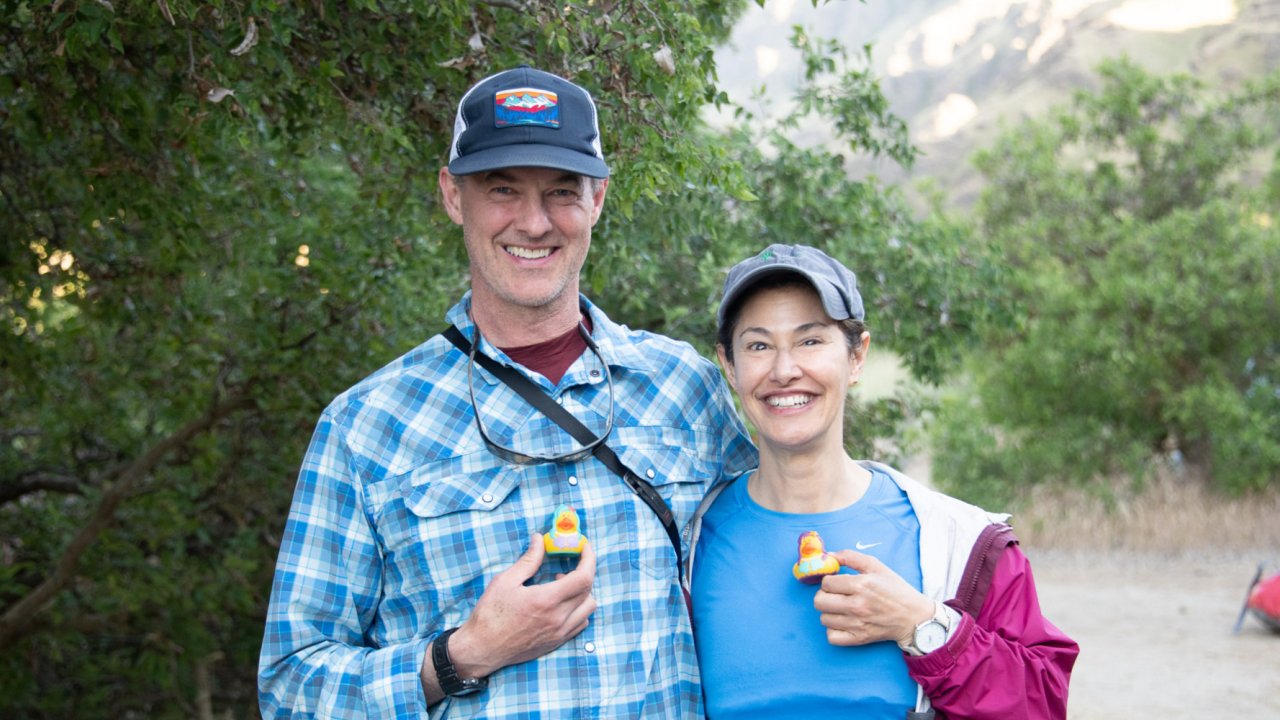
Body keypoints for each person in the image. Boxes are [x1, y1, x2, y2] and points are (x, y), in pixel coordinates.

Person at [258, 66, 756, 718]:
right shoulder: (365, 426)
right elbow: (290, 687)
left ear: (598, 199)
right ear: (452, 195)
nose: (533, 221)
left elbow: (781, 547)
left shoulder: (685, 388)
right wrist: (460, 655)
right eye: (501, 189)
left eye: (561, 191)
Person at [687, 244, 1078, 719]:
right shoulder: (685, 544)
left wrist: (923, 627)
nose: (784, 370)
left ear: (856, 357)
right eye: (759, 346)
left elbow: (1041, 704)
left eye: (811, 341)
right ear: (730, 366)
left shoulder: (962, 541)